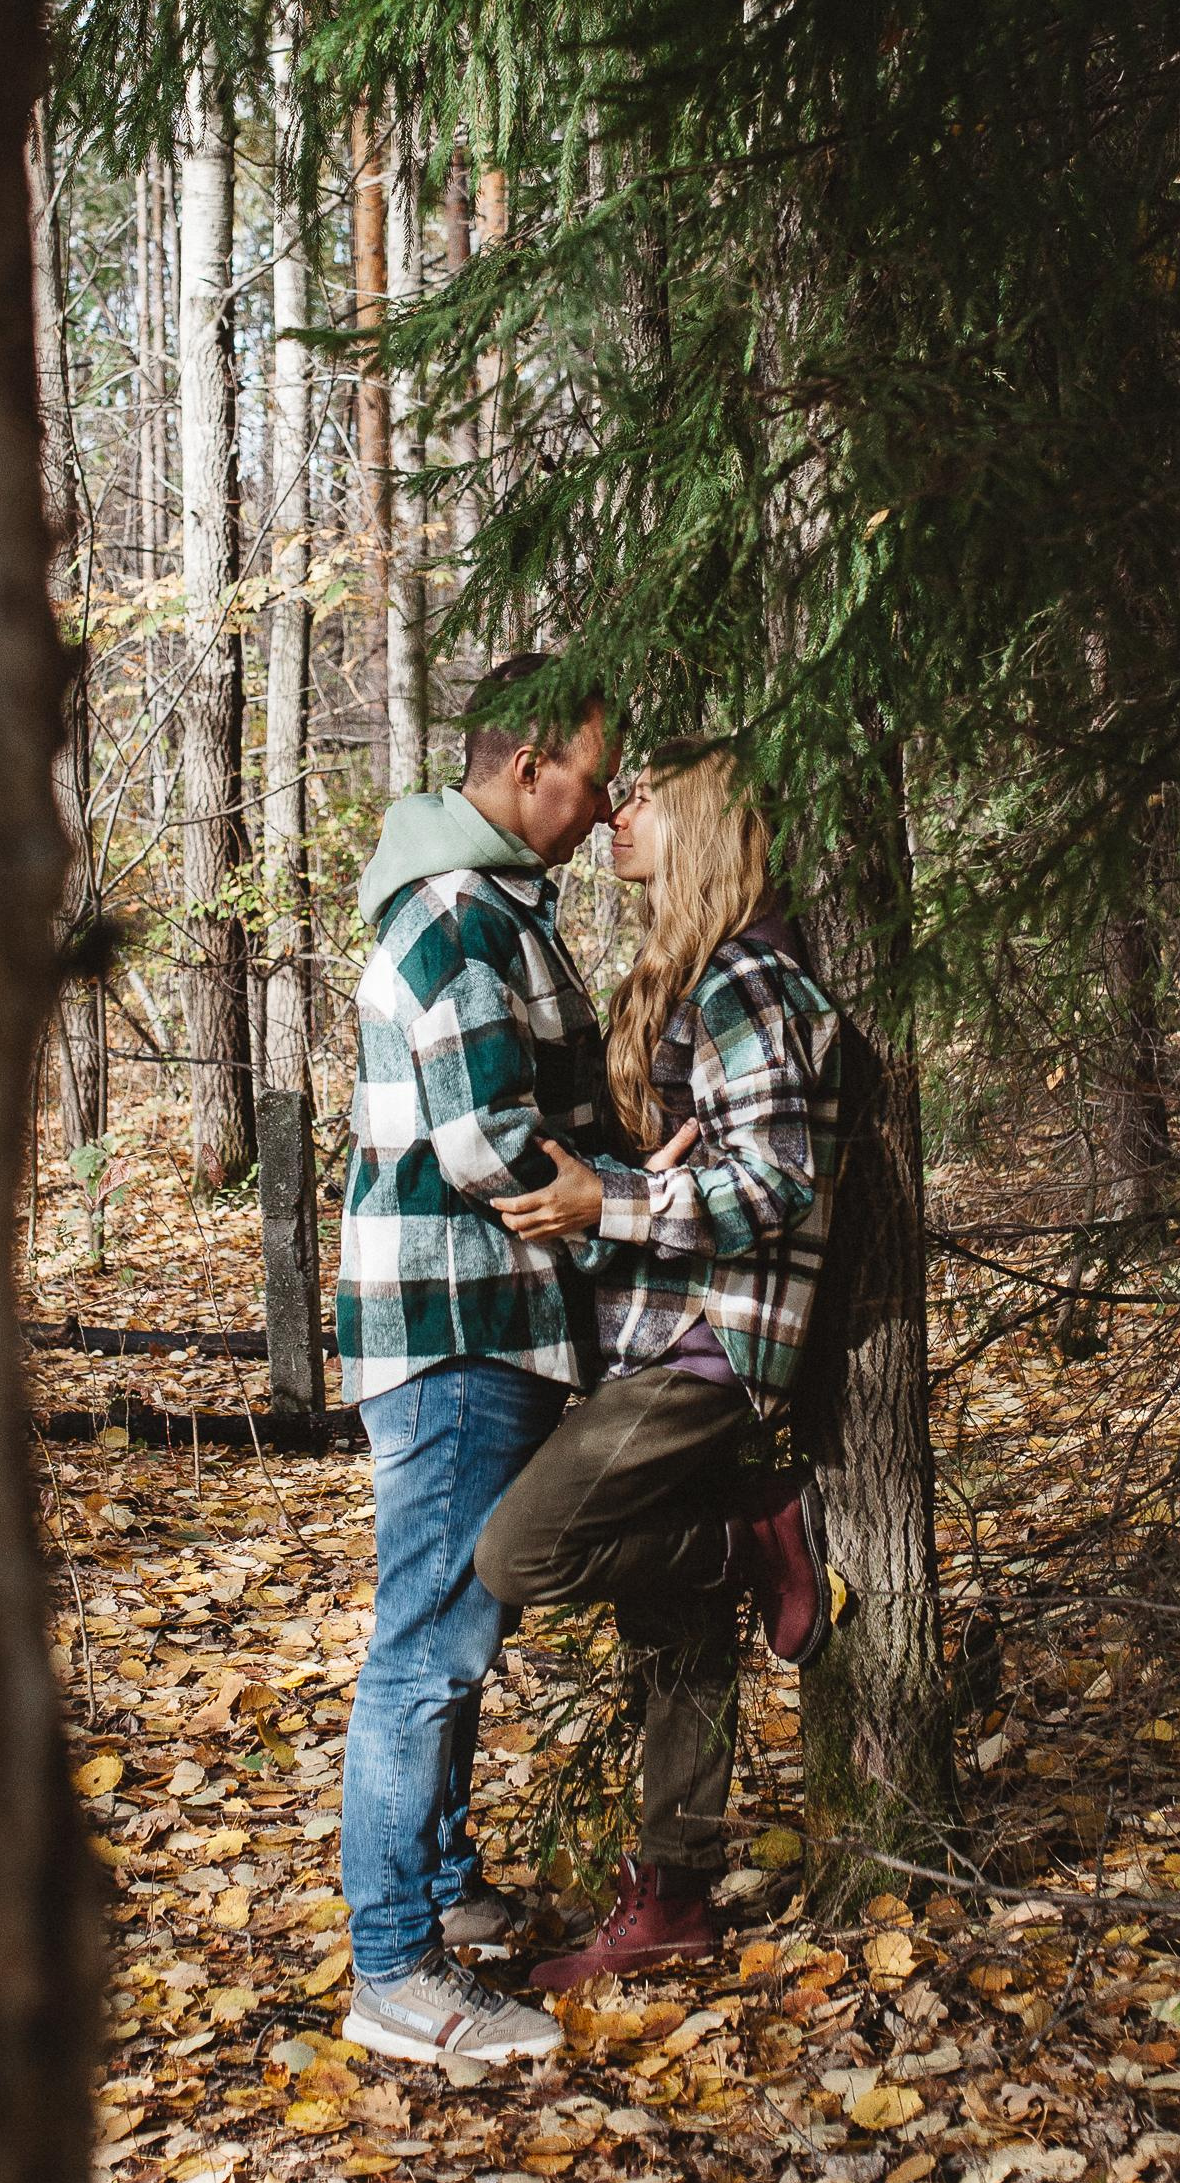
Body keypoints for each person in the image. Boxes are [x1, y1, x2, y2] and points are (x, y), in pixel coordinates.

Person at [476, 739, 841, 1988]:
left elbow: (779, 1175)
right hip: (661, 1334)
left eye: (644, 799)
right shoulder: (693, 974)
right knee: (671, 1624)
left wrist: (613, 1202)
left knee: (517, 1551)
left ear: (702, 825)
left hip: (705, 1352)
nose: (616, 811)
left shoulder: (742, 974)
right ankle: (673, 1892)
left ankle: (752, 1536)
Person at [336, 656, 615, 2067]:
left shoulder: (494, 907)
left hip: (490, 1315)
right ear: (526, 771)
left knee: (459, 1627)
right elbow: (489, 1148)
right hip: (454, 1318)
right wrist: (630, 1199)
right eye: (593, 776)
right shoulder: (452, 915)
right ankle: (391, 1967)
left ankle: (444, 1892)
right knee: (427, 1643)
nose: (607, 806)